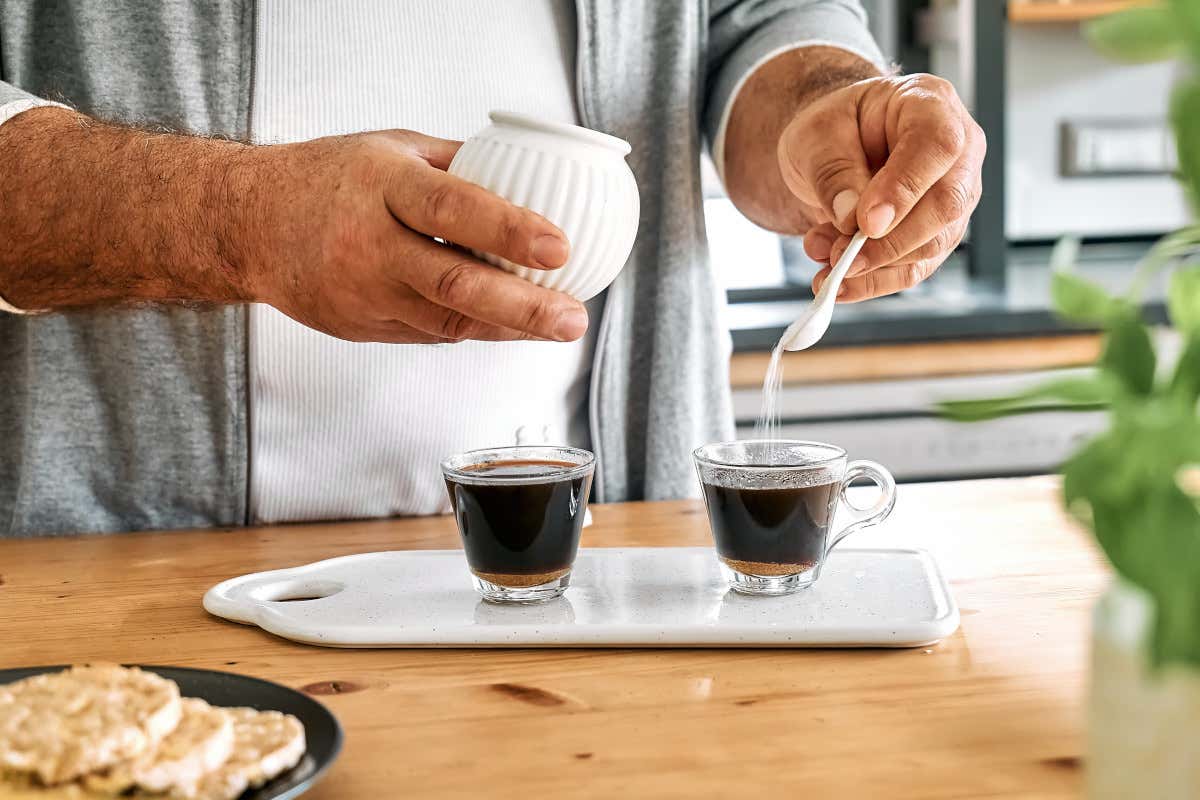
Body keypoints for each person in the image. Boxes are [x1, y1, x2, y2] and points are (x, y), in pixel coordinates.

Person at [0, 1, 984, 537]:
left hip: (604, 569)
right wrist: (235, 218)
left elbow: (748, 17)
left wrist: (828, 108)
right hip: (128, 567)